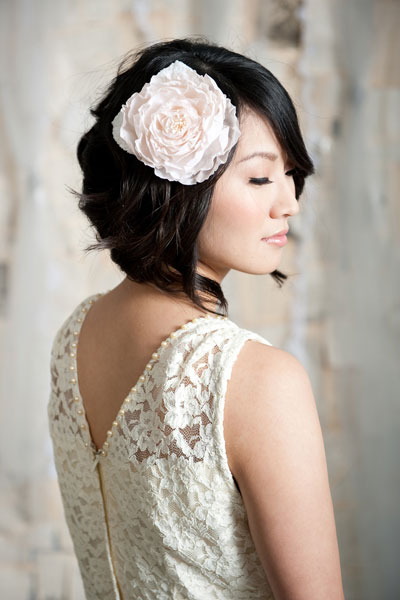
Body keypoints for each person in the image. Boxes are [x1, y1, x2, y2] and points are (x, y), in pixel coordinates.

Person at [47, 36, 345, 599]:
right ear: (176, 186)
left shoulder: (74, 339)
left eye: (290, 173)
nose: (289, 203)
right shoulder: (259, 380)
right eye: (260, 177)